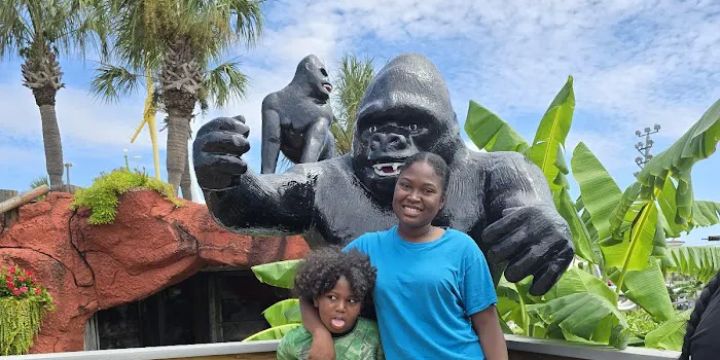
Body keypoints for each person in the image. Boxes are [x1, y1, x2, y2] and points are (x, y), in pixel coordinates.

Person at [301, 152, 508, 360]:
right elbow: (310, 292)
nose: (413, 197)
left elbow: (487, 325)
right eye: (406, 186)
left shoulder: (463, 249)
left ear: (441, 201)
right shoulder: (369, 246)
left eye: (427, 190)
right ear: (396, 188)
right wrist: (320, 335)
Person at [277, 247, 383, 360]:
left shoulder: (375, 338)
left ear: (361, 305)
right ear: (316, 299)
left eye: (351, 300)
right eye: (332, 297)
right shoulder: (294, 342)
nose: (341, 308)